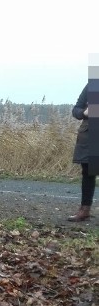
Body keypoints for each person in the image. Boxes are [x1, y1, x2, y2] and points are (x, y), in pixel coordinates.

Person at [67, 81, 97, 222]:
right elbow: (76, 110)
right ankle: (84, 210)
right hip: (89, 133)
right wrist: (84, 112)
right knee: (88, 172)